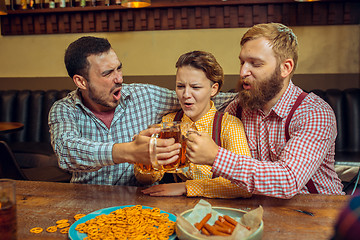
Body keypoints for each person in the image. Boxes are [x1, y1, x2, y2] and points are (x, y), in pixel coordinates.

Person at [185, 23, 344, 199]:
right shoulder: (236, 109)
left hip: (320, 213)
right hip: (263, 211)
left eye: (256, 64)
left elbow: (288, 180)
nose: (243, 72)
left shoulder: (314, 113)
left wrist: (216, 157)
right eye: (242, 62)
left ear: (285, 68)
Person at [48, 36, 235, 186]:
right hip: (86, 201)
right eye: (107, 73)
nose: (119, 79)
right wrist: (129, 151)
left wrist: (250, 97)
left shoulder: (145, 96)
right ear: (81, 82)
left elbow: (197, 98)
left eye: (119, 69)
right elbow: (66, 152)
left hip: (139, 201)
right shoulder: (64, 109)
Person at [141, 50, 252, 198]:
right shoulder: (169, 122)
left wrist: (186, 187)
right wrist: (145, 162)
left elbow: (243, 186)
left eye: (195, 87)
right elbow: (147, 178)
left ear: (214, 89)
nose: (186, 94)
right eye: (180, 86)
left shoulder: (229, 125)